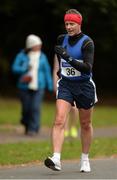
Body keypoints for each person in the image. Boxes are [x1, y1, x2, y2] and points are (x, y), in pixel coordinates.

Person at [44, 9, 98, 172]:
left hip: (84, 86)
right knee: (59, 120)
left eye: (72, 24)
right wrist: (61, 71)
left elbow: (87, 69)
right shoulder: (61, 39)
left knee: (85, 124)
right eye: (66, 23)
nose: (68, 27)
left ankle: (85, 159)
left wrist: (67, 57)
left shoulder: (88, 42)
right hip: (66, 85)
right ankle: (56, 158)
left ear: (79, 24)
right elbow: (61, 63)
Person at [12, 34, 53, 136]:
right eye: (37, 45)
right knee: (26, 108)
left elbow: (47, 71)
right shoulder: (21, 55)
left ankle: (33, 129)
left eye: (39, 44)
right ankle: (26, 124)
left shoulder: (42, 56)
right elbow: (14, 68)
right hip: (24, 86)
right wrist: (24, 68)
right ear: (30, 45)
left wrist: (50, 85)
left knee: (35, 107)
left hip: (39, 86)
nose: (39, 46)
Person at [53, 54, 78, 138]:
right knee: (64, 108)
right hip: (63, 84)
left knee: (74, 108)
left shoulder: (78, 50)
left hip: (76, 83)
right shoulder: (59, 51)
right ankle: (66, 129)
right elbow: (56, 69)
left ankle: (73, 126)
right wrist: (54, 84)